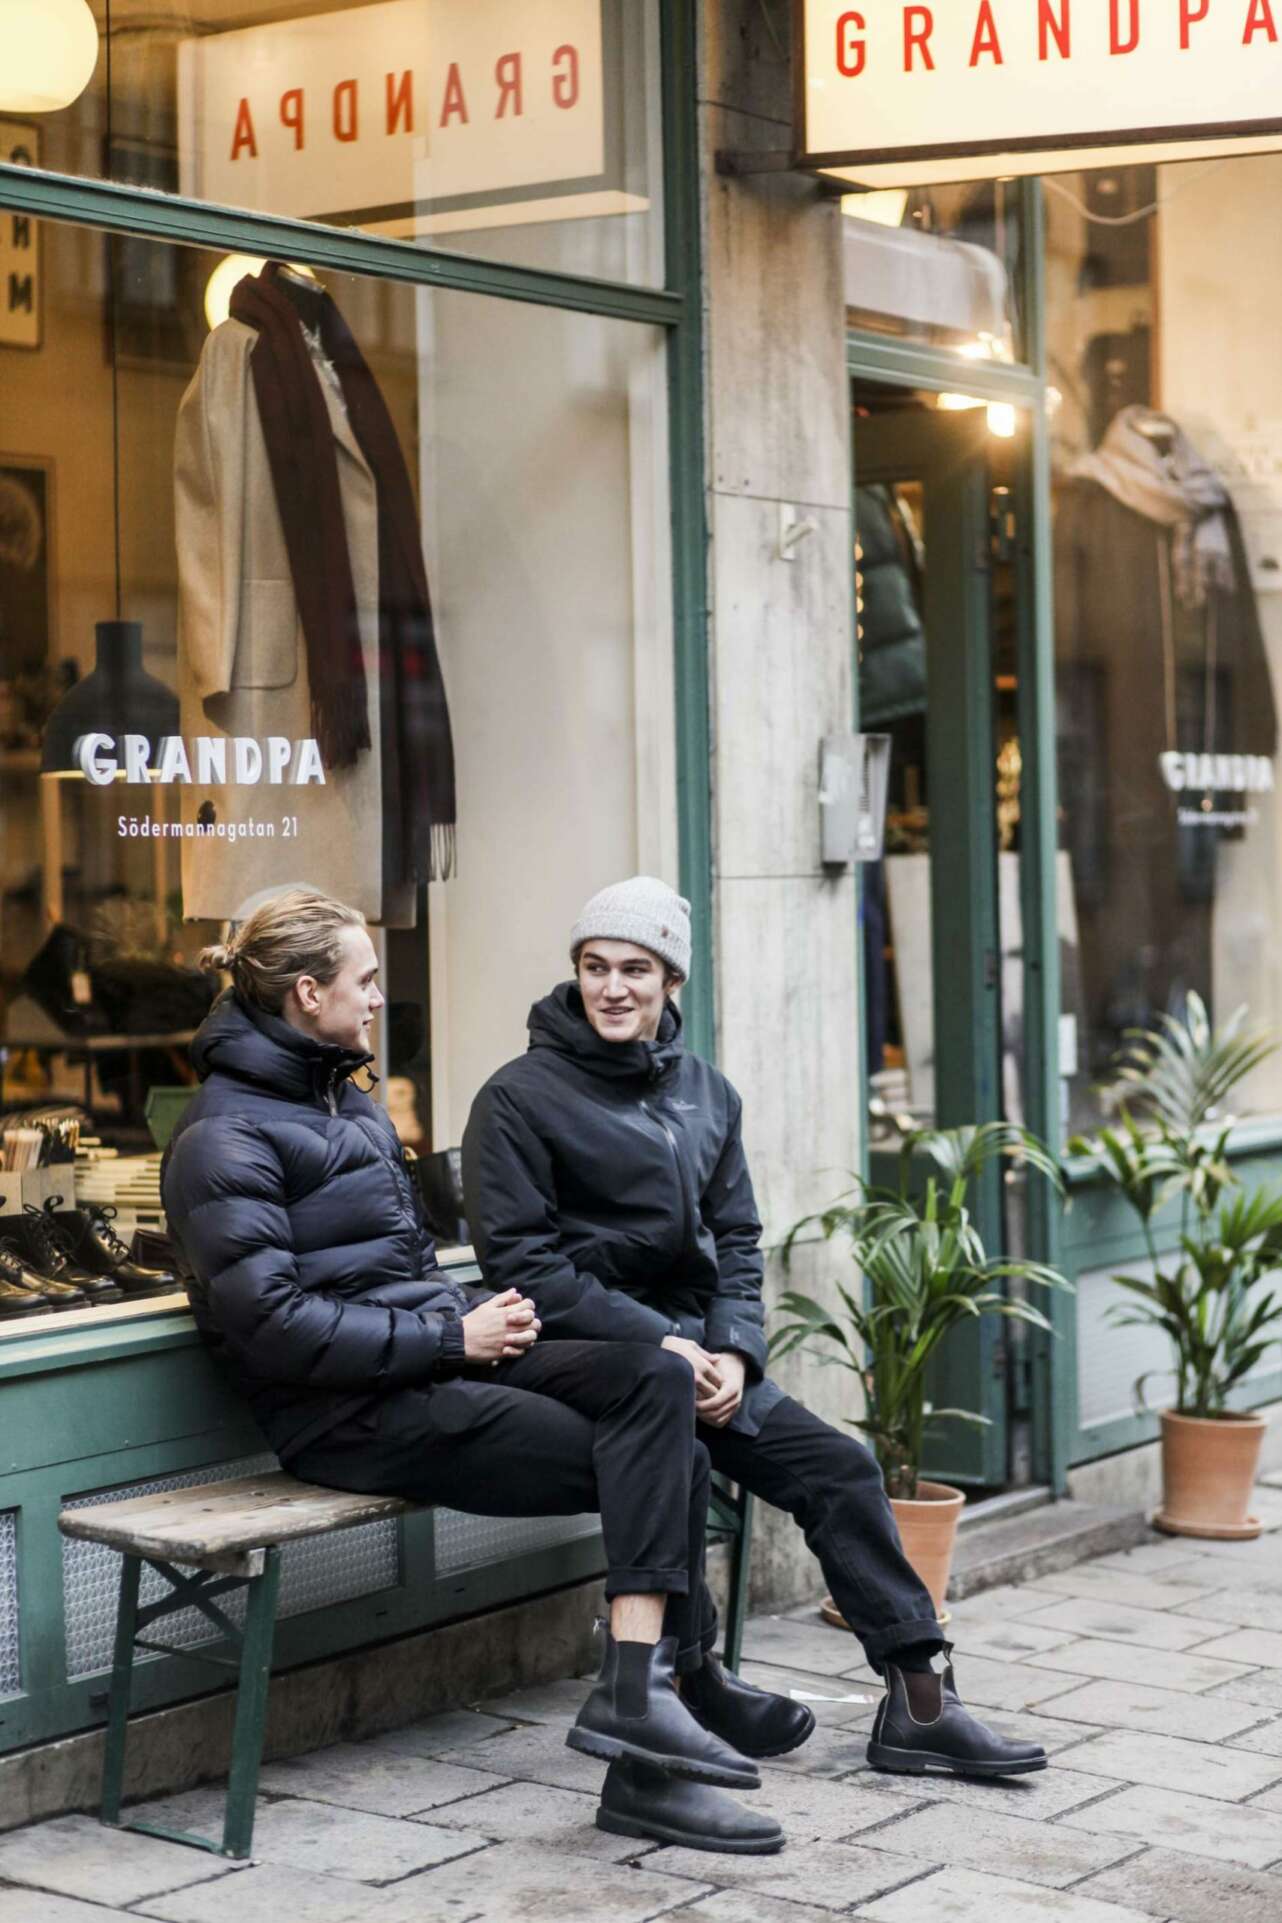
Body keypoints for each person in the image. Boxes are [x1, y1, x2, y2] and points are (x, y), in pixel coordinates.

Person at [161, 887, 789, 1855]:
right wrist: (453, 1340)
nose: (379, 999)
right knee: (661, 1458)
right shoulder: (224, 1137)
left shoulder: (349, 1105)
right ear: (304, 992)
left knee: (654, 1384)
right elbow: (273, 1328)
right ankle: (653, 1738)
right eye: (365, 981)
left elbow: (399, 1271)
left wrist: (466, 1320)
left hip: (426, 1365)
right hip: (344, 1419)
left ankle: (645, 1694)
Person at [463, 876, 1049, 1780]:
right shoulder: (517, 1098)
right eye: (594, 967)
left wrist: (734, 1348)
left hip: (702, 1355)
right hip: (588, 1355)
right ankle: (690, 1683)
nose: (612, 987)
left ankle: (921, 1699)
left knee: (841, 1467)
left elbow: (737, 1236)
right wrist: (661, 1342)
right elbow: (525, 1267)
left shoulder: (707, 1093)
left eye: (634, 969)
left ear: (670, 982)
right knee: (685, 1460)